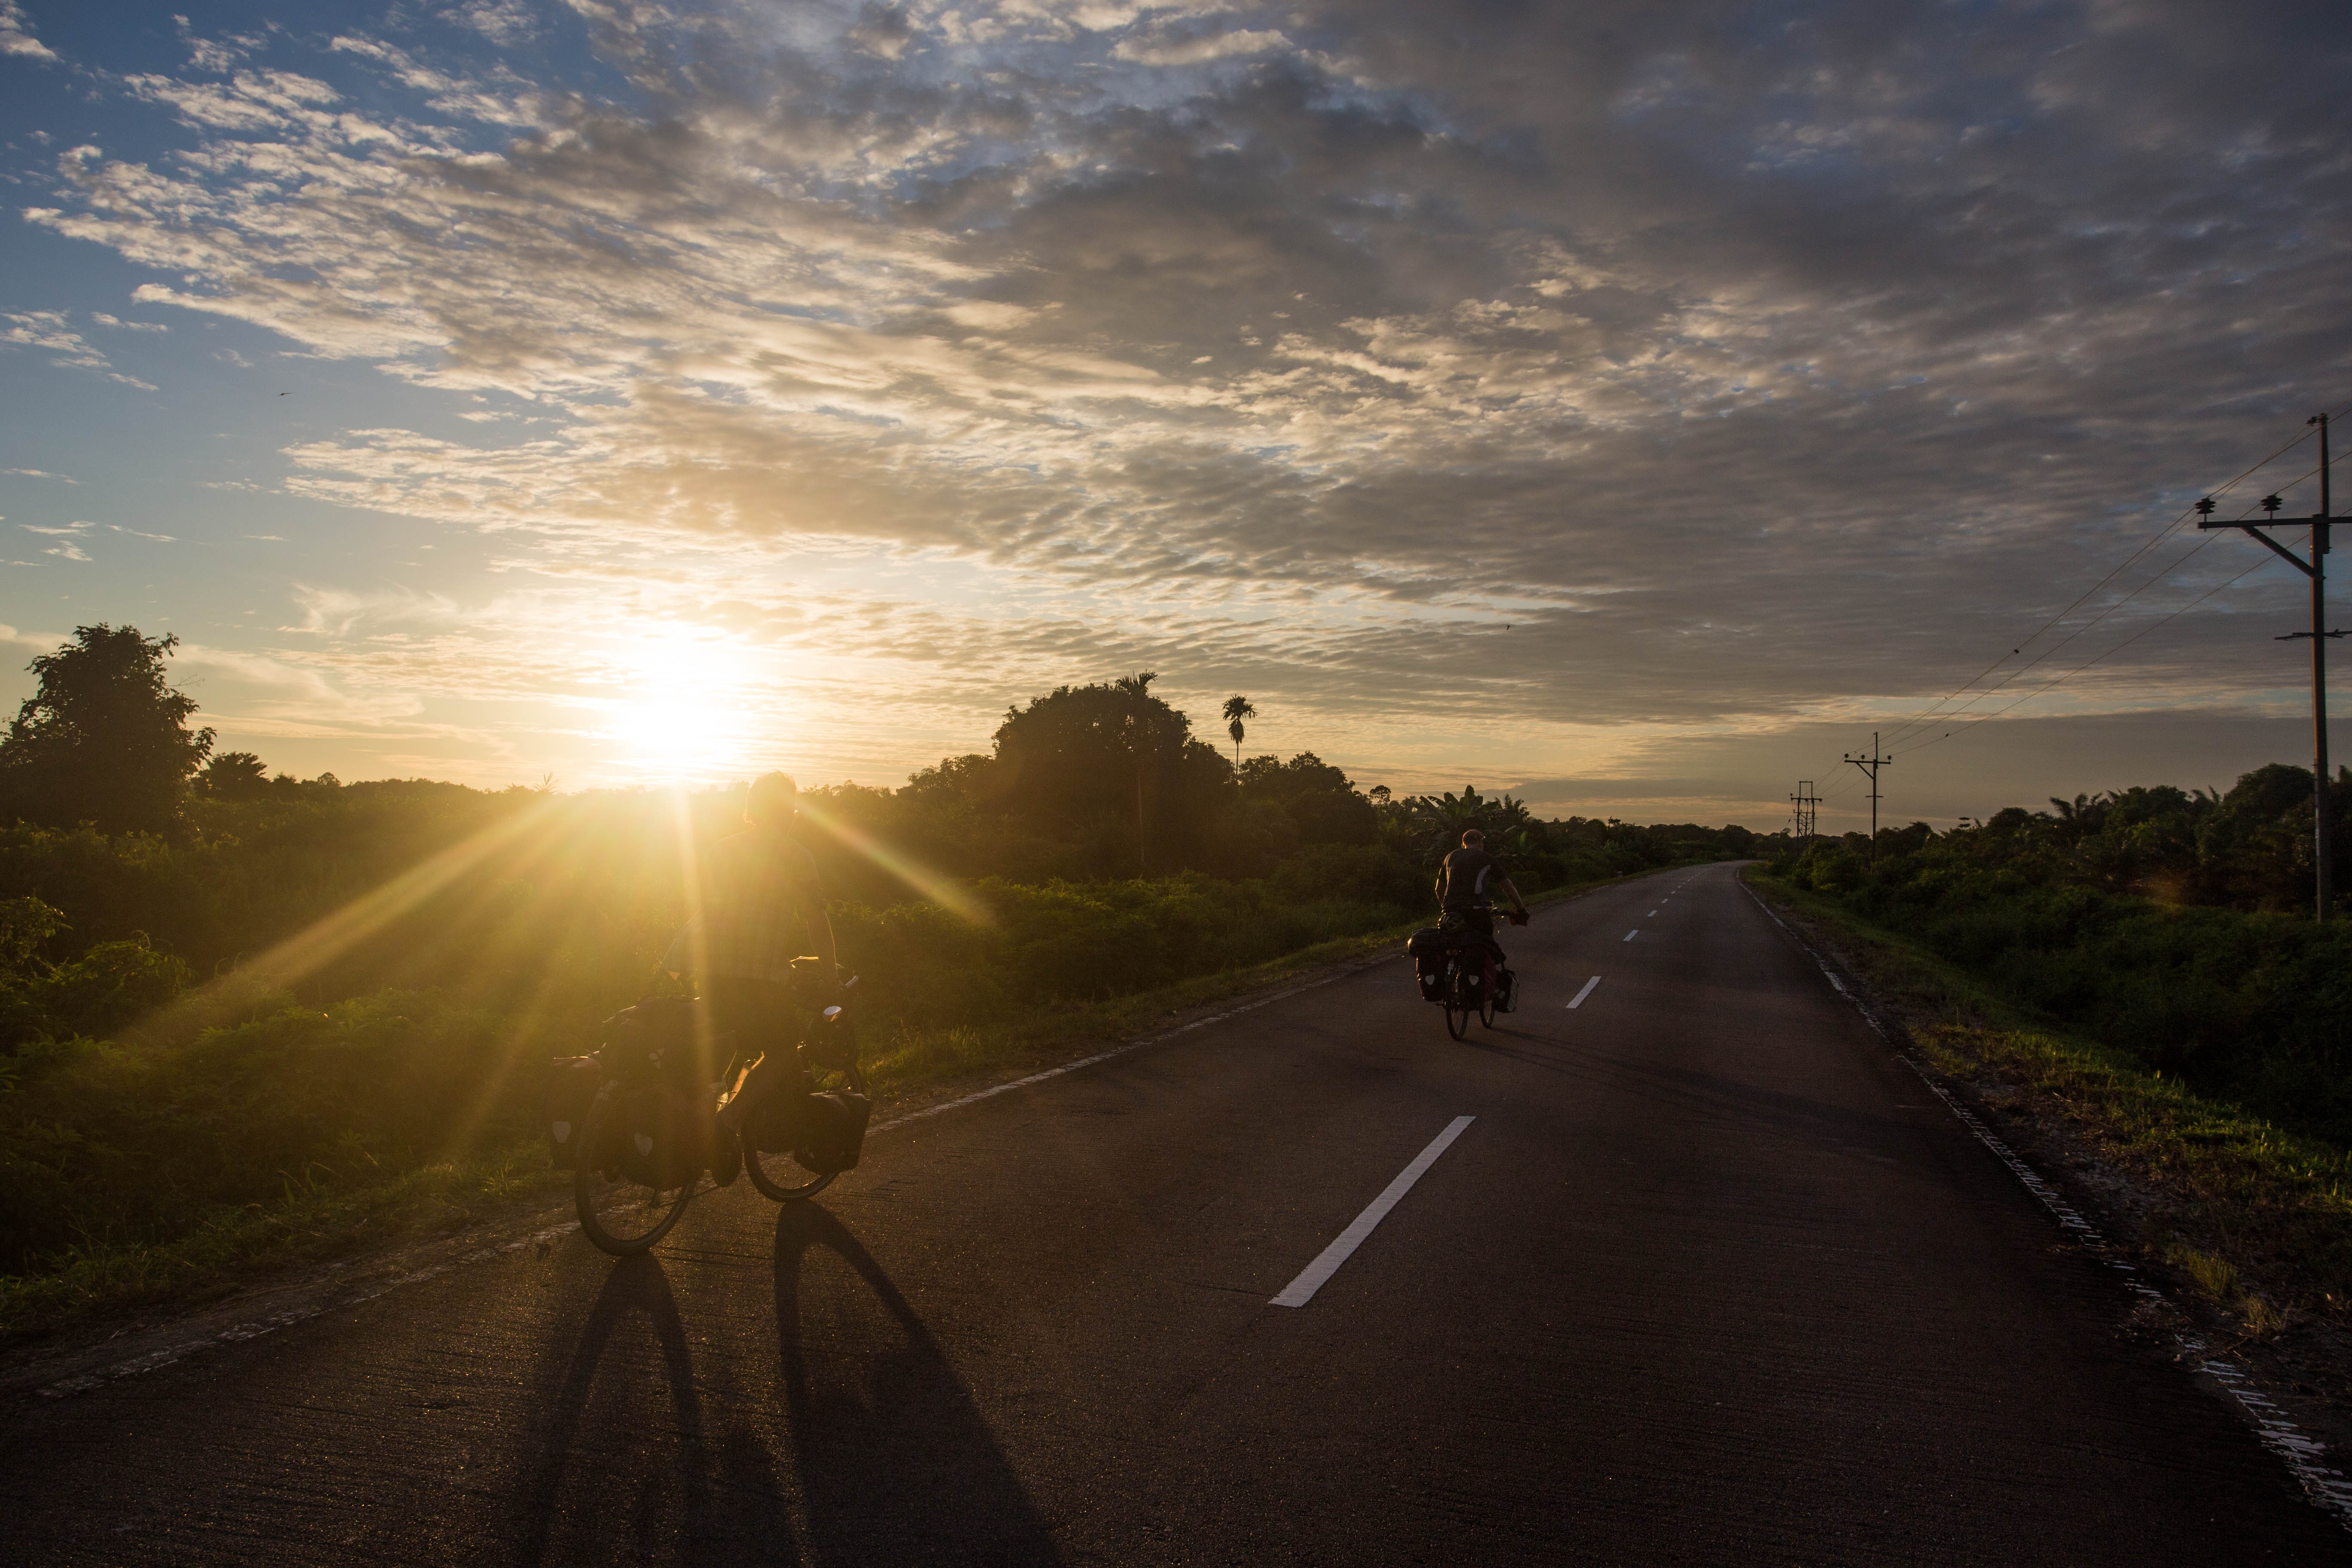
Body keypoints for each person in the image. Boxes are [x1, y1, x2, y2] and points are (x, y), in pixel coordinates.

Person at [659, 771, 840, 1141]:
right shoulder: (796, 856)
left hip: (709, 968)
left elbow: (704, 910)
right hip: (759, 976)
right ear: (789, 813)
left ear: (751, 810)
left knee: (722, 1044)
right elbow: (816, 923)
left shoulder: (722, 849)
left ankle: (699, 1125)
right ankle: (728, 1124)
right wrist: (831, 978)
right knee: (783, 1050)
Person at [1435, 828, 1530, 971]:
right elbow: (1508, 887)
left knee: (1449, 948)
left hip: (1449, 915)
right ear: (1481, 842)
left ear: (1463, 844)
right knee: (1486, 951)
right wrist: (1521, 909)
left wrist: (1448, 907)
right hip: (1477, 914)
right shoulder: (1487, 858)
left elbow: (1438, 890)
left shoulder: (1450, 857)